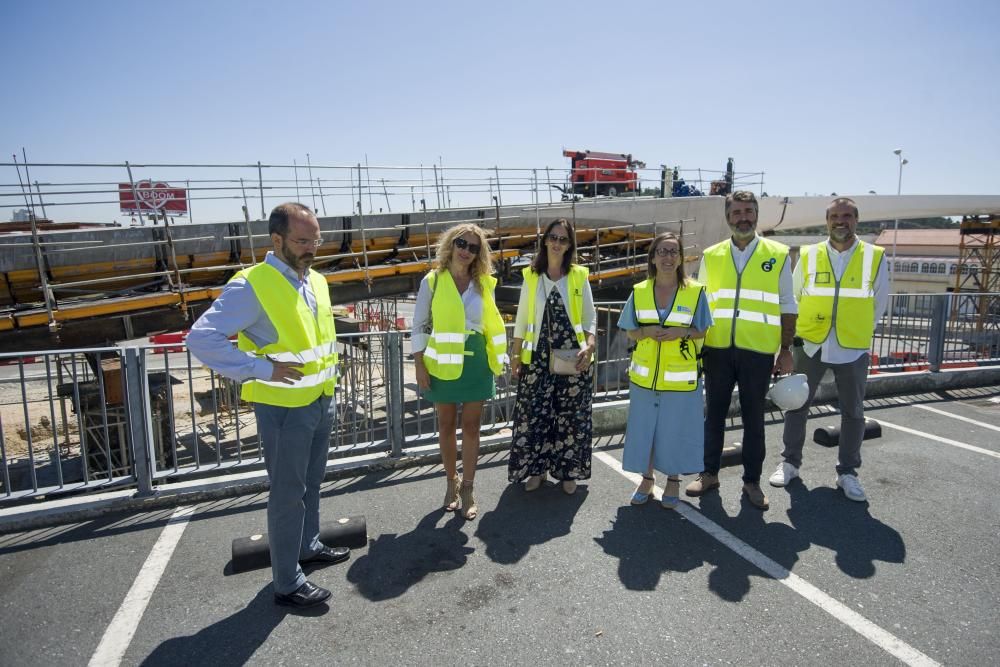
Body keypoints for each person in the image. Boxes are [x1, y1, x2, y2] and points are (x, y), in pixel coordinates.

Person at [187, 202, 348, 609]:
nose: (312, 247)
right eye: (302, 240)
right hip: (283, 409)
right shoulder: (251, 284)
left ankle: (307, 546)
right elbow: (201, 338)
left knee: (310, 484)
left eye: (316, 239)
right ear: (276, 240)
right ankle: (287, 582)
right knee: (287, 492)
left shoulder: (316, 281)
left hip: (319, 399)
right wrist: (259, 368)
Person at [770, 197, 888, 502]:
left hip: (852, 346)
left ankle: (847, 472)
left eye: (847, 216)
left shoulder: (874, 256)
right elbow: (794, 298)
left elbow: (879, 303)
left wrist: (857, 328)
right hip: (810, 342)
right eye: (835, 216)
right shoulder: (809, 255)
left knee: (854, 412)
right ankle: (790, 463)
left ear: (856, 220)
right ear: (827, 221)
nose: (841, 221)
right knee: (797, 404)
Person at [686, 191, 797, 510]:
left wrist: (785, 348)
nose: (743, 217)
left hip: (758, 350)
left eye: (748, 211)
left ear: (757, 214)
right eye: (736, 212)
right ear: (728, 217)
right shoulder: (712, 254)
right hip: (717, 349)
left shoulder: (777, 253)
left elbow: (788, 304)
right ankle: (708, 473)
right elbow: (701, 304)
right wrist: (696, 347)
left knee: (754, 421)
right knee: (714, 416)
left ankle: (752, 481)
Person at [412, 223, 507, 520]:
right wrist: (419, 363)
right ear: (451, 245)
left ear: (479, 253)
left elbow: (490, 324)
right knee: (445, 424)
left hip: (476, 361)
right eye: (461, 243)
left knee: (471, 427)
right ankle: (450, 482)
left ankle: (468, 487)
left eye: (473, 247)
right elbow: (419, 324)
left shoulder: (484, 283)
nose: (466, 250)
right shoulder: (433, 281)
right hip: (442, 363)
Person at [619, 232, 713, 508]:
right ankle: (647, 480)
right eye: (662, 251)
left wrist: (680, 332)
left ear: (681, 258)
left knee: (674, 431)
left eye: (673, 252)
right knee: (645, 430)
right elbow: (630, 331)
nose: (668, 257)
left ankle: (672, 481)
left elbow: (702, 330)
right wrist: (646, 330)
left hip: (680, 379)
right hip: (644, 378)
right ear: (653, 257)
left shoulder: (695, 292)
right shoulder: (639, 291)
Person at [508, 218, 597, 495]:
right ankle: (537, 470)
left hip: (573, 356)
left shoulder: (579, 276)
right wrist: (515, 354)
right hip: (536, 357)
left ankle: (568, 473)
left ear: (569, 245)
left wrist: (590, 345)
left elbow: (589, 317)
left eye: (563, 239)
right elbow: (522, 318)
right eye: (553, 237)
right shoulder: (532, 276)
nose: (557, 243)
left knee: (570, 417)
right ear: (545, 240)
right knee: (535, 415)